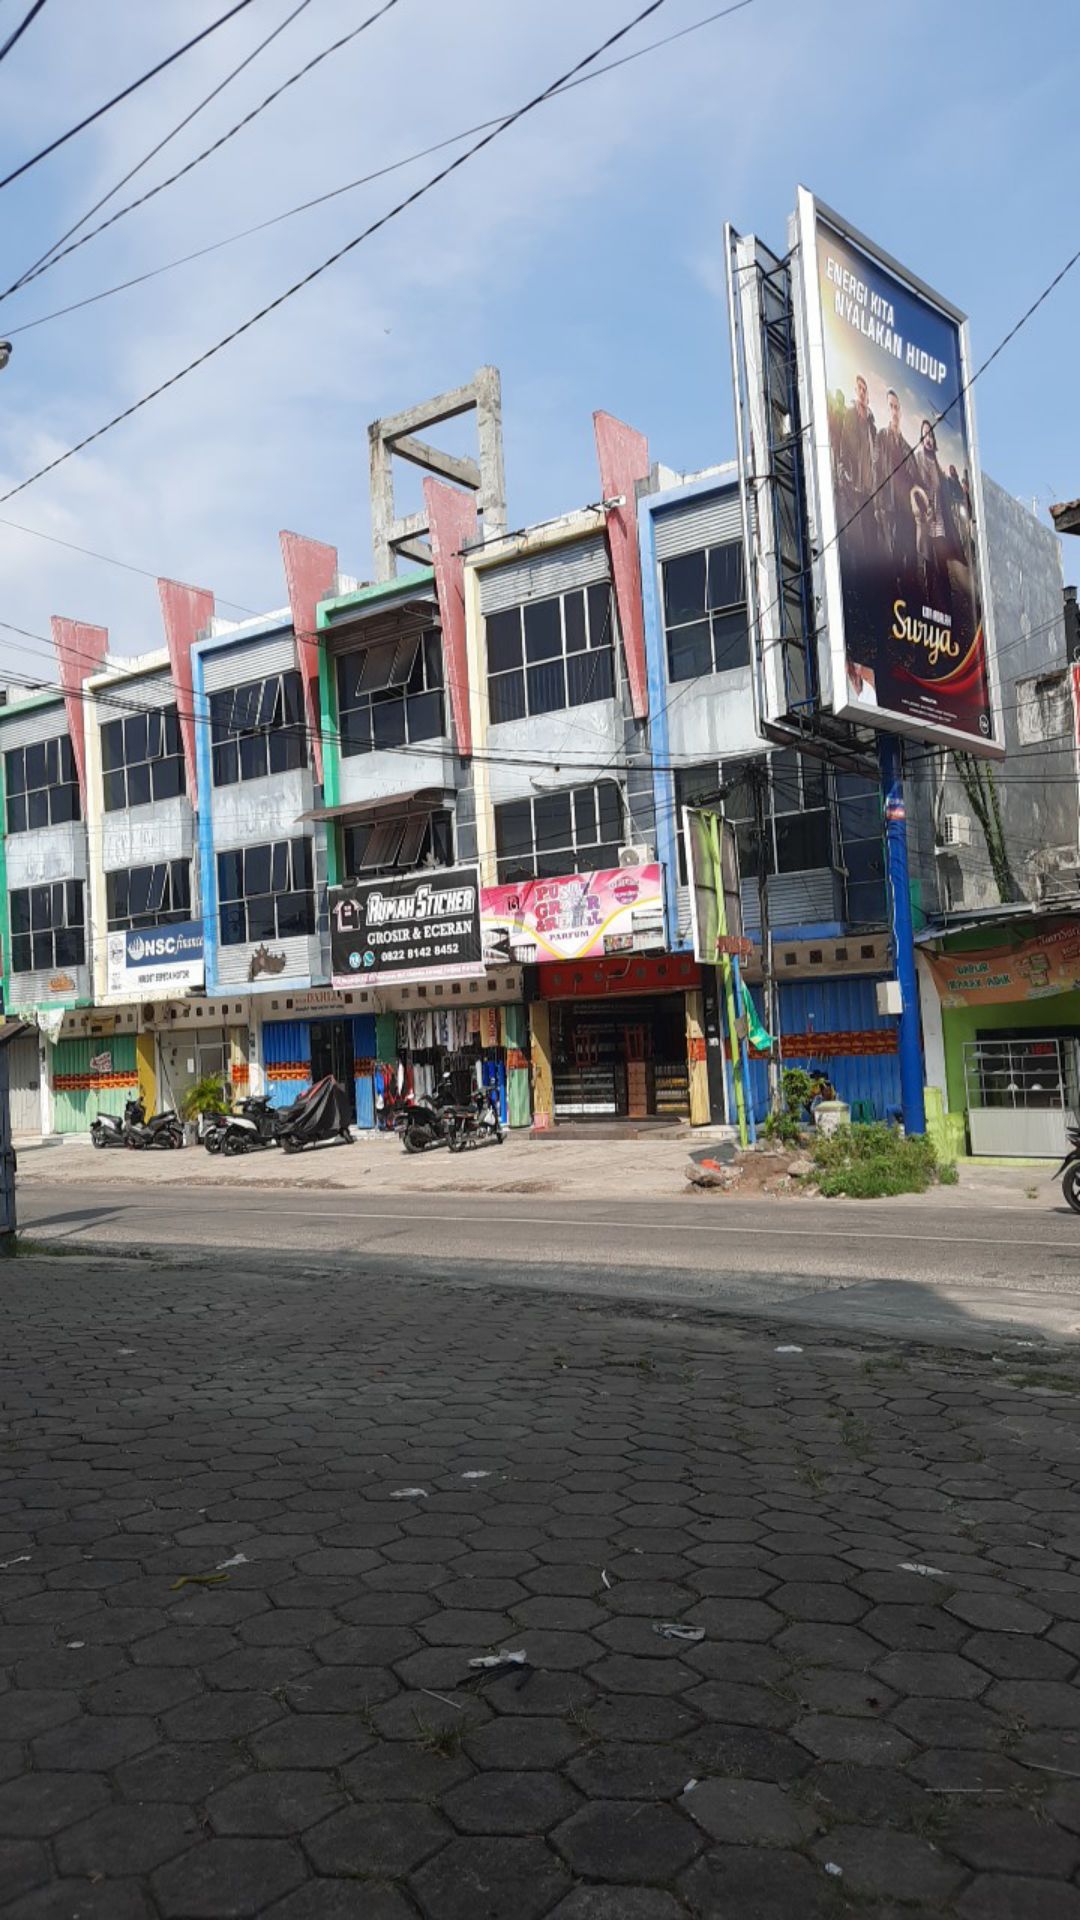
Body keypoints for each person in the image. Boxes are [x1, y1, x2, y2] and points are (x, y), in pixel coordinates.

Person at [875, 389, 916, 580]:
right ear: (887, 410)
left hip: (906, 510)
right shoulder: (881, 437)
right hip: (889, 507)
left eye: (896, 407)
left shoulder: (908, 447)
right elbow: (877, 470)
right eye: (890, 406)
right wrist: (878, 504)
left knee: (909, 558)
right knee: (892, 556)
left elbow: (914, 480)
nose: (894, 411)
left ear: (901, 411)